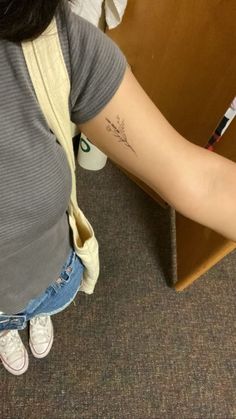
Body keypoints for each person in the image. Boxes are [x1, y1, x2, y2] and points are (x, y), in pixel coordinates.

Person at [0, 0, 236, 376]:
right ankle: (9, 326)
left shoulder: (51, 48)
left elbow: (202, 181)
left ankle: (34, 313)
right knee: (7, 318)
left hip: (55, 272)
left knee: (41, 305)